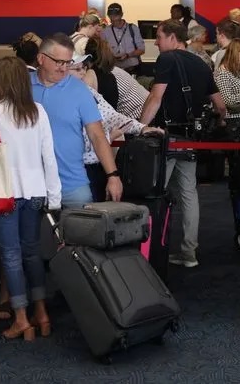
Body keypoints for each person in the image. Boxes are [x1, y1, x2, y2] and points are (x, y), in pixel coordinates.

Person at [0, 57, 61, 342]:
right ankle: (41, 313)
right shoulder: (37, 111)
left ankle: (20, 318)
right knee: (32, 252)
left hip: (3, 193)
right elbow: (49, 157)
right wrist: (53, 196)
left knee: (10, 254)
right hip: (35, 192)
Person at [139, 20, 227, 268]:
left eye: (158, 36)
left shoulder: (166, 60)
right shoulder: (201, 62)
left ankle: (145, 252)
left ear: (172, 38)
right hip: (191, 139)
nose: (155, 42)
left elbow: (156, 98)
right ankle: (189, 253)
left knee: (154, 193)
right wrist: (220, 122)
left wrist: (140, 129)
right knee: (189, 194)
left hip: (165, 138)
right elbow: (220, 106)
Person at [32, 33, 122, 208]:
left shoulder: (80, 90)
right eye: (59, 62)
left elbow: (97, 135)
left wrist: (113, 176)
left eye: (68, 63)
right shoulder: (21, 87)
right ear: (41, 58)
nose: (64, 68)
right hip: (31, 187)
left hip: (73, 184)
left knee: (82, 233)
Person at [68, 54, 161, 200]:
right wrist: (109, 137)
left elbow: (112, 115)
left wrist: (141, 128)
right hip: (75, 169)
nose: (83, 72)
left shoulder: (89, 92)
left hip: (94, 165)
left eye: (84, 67)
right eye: (77, 69)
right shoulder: (64, 98)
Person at [102, 3, 145, 74]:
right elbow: (103, 52)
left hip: (132, 69)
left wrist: (128, 55)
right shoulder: (105, 31)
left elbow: (142, 49)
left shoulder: (133, 29)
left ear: (121, 15)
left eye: (116, 16)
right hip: (114, 70)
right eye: (111, 16)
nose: (114, 19)